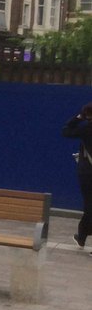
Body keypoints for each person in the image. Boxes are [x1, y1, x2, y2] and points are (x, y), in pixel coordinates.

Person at [62, 101, 92, 250]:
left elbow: (66, 131)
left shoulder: (86, 129)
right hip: (87, 172)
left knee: (89, 205)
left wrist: (78, 118)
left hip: (87, 173)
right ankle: (81, 236)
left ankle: (81, 236)